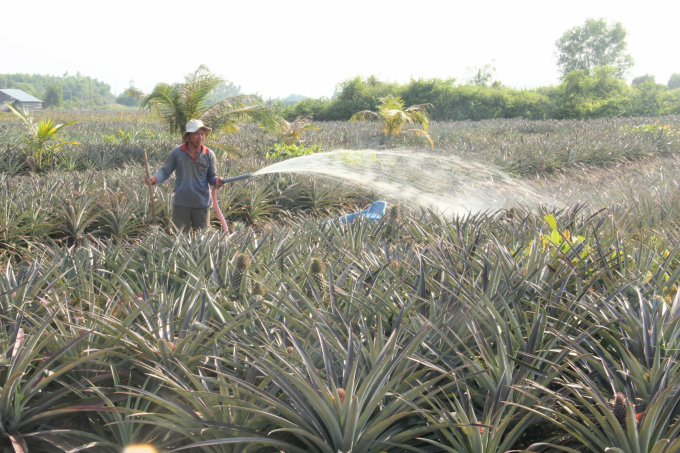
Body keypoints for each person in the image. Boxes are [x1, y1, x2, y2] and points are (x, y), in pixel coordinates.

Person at [144, 119, 226, 232]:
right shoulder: (177, 152)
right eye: (196, 134)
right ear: (188, 136)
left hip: (202, 203)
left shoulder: (209, 154)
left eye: (202, 134)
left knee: (202, 240)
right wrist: (154, 179)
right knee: (180, 238)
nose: (200, 137)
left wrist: (217, 181)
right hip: (181, 203)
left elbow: (211, 176)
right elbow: (165, 171)